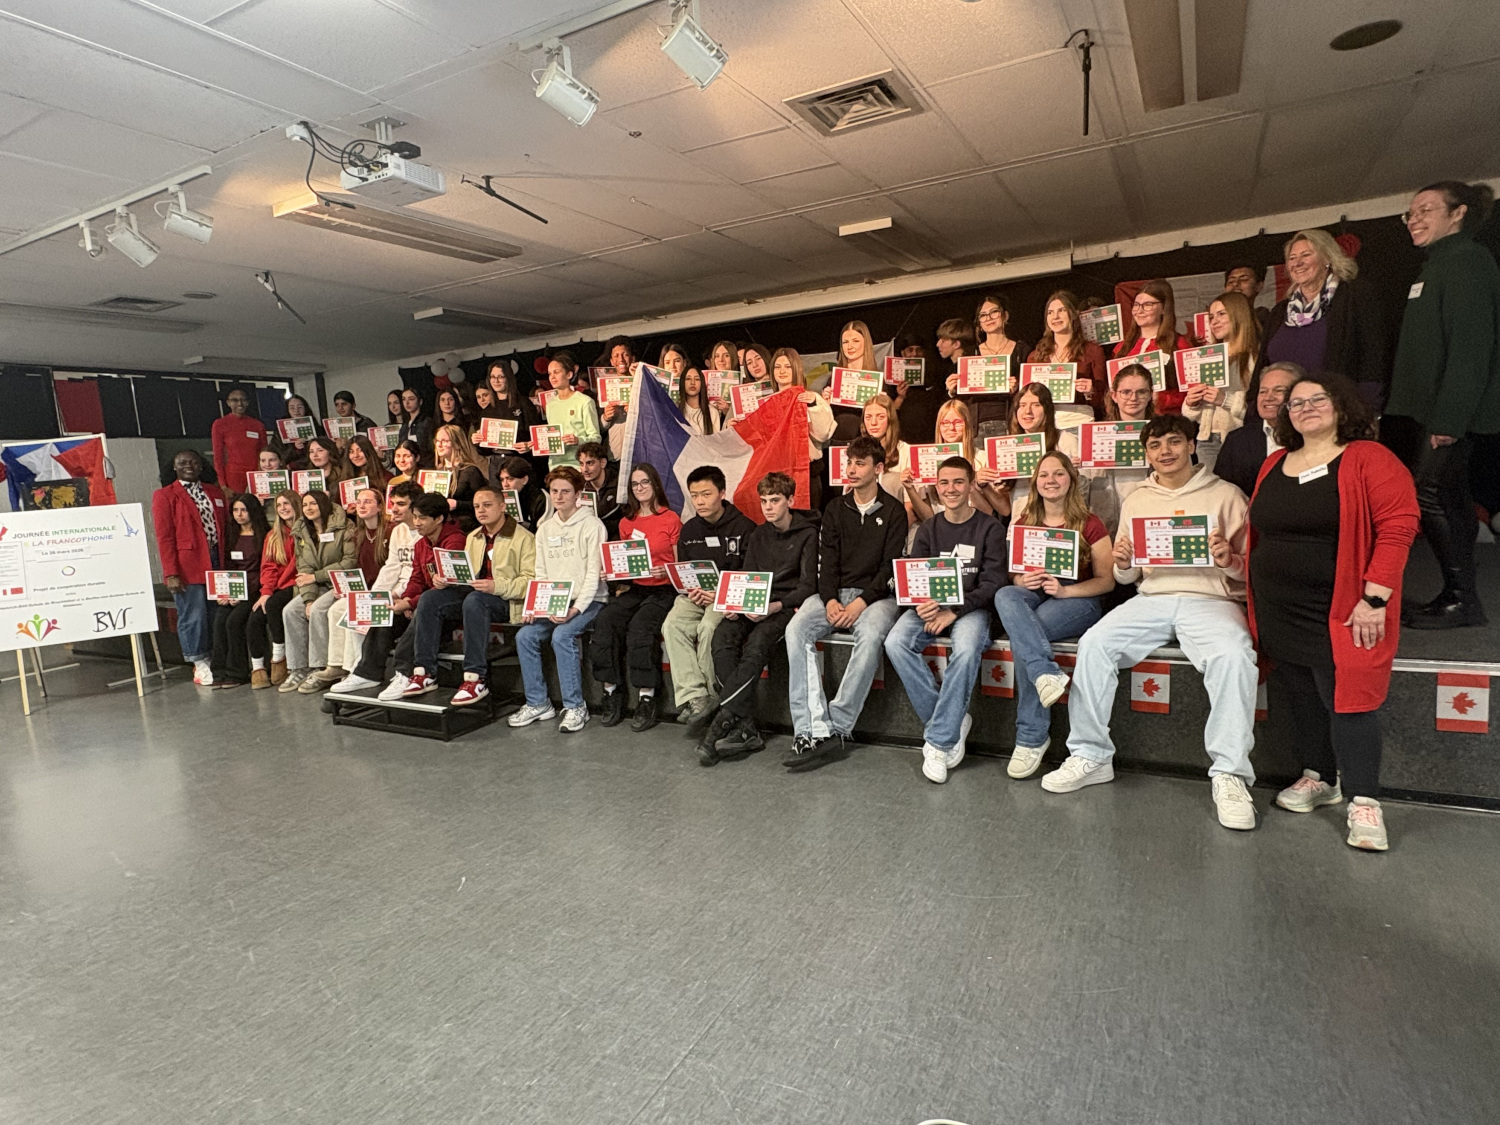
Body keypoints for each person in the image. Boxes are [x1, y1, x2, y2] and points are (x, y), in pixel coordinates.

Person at [1040, 414, 1260, 832]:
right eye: (1155, 446)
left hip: (1211, 599)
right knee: (1095, 643)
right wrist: (1123, 563)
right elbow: (1128, 576)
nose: (1165, 452)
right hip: (1153, 597)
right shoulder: (1138, 498)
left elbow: (1250, 570)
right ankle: (1091, 754)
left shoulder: (1227, 495)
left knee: (1233, 656)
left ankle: (1230, 774)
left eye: (1174, 442)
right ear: (1147, 453)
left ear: (1191, 446)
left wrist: (1229, 560)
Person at [1248, 372, 1419, 851]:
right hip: (1280, 606)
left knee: (1350, 701)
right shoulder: (1275, 462)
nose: (1305, 408)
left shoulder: (1368, 457)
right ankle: (1320, 777)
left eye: (1316, 399)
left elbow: (1399, 526)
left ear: (1341, 405)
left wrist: (1375, 599)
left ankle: (1364, 800)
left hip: (1343, 606)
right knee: (1302, 693)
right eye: (1295, 403)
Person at [1388, 181, 1500, 630]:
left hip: (1451, 412)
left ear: (1459, 213)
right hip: (1435, 409)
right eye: (1410, 213)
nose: (1414, 219)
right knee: (1450, 497)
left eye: (1426, 210)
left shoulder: (1467, 261)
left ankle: (1461, 599)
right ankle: (1460, 597)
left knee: (1429, 493)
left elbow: (1471, 347)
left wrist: (1450, 418)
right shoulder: (1438, 264)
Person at [782, 436, 906, 770]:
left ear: (878, 469)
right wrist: (830, 600)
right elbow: (827, 562)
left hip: (877, 597)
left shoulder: (894, 511)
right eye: (849, 462)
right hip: (835, 593)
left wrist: (860, 603)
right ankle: (809, 728)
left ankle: (837, 727)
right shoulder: (835, 508)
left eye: (860, 463)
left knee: (871, 635)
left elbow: (889, 569)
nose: (851, 469)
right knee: (796, 630)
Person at [883, 456, 1007, 783]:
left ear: (970, 486)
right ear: (936, 488)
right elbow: (915, 576)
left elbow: (993, 584)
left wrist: (954, 610)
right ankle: (952, 720)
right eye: (944, 483)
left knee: (965, 650)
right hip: (932, 606)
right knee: (895, 642)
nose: (951, 489)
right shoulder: (929, 528)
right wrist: (920, 604)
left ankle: (939, 742)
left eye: (958, 482)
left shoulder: (990, 528)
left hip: (972, 609)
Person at [994, 452, 1115, 778]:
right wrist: (1022, 580)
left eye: (1059, 474)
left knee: (1026, 636)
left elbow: (1107, 581)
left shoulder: (1091, 523)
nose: (1051, 480)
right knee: (1005, 594)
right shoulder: (1024, 522)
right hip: (1035, 594)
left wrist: (1065, 591)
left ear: (1071, 480)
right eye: (1044, 475)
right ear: (1036, 482)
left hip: (1078, 598)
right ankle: (1046, 673)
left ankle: (1030, 737)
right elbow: (1012, 575)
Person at [374, 485, 537, 706]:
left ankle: (474, 677)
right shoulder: (474, 537)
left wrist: (496, 586)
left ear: (502, 506)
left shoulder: (524, 538)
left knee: (475, 601)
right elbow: (463, 575)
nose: (481, 511)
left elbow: (530, 582)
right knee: (431, 598)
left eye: (487, 505)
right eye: (477, 506)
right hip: (474, 594)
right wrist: (444, 579)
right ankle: (424, 672)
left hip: (507, 600)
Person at [696, 472, 818, 766]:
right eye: (764, 501)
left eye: (775, 500)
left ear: (790, 500)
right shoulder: (759, 534)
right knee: (722, 636)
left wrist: (774, 606)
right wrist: (735, 604)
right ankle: (745, 725)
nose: (768, 507)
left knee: (757, 644)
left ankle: (720, 724)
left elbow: (807, 586)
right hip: (754, 602)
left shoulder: (808, 534)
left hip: (785, 606)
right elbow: (747, 575)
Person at [508, 466, 608, 733]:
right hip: (555, 601)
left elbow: (593, 576)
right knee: (525, 636)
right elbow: (540, 572)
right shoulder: (545, 528)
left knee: (562, 635)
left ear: (578, 494)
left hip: (590, 600)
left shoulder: (592, 526)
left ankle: (576, 707)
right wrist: (535, 605)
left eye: (565, 491)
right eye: (554, 491)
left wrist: (576, 609)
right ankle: (538, 703)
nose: (559, 497)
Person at [662, 465, 756, 729]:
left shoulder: (745, 527)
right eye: (694, 496)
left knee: (708, 627)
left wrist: (718, 594)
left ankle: (712, 696)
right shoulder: (690, 530)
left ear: (722, 493)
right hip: (695, 595)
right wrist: (692, 590)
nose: (700, 501)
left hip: (727, 597)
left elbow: (749, 576)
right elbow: (685, 571)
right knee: (672, 625)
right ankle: (695, 696)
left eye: (706, 494)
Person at [591, 464, 683, 731]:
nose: (640, 488)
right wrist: (612, 573)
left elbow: (680, 567)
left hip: (664, 589)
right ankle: (611, 691)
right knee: (606, 620)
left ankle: (647, 697)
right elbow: (625, 565)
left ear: (655, 485)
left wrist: (666, 570)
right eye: (634, 484)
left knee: (641, 627)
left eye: (644, 482)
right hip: (636, 588)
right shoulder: (626, 522)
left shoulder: (671, 519)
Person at [343, 492, 464, 692]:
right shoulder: (421, 543)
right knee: (388, 609)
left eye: (422, 518)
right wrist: (407, 597)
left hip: (450, 603)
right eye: (415, 517)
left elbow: (447, 586)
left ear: (439, 519)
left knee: (425, 604)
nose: (417, 523)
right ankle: (367, 672)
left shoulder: (455, 541)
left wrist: (411, 602)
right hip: (424, 601)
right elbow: (416, 578)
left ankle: (406, 673)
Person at [1260, 228, 1388, 412]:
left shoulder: (1356, 295)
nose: (1298, 263)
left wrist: (1368, 407)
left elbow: (1373, 355)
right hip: (1285, 415)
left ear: (1328, 258)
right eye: (1292, 258)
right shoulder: (1280, 311)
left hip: (1339, 410)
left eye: (1306, 255)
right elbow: (1263, 366)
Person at [328, 481, 421, 695]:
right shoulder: (399, 531)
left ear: (415, 506)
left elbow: (418, 575)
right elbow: (391, 567)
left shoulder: (425, 532)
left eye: (401, 504)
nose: (394, 509)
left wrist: (396, 595)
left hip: (410, 594)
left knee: (382, 617)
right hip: (396, 591)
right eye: (393, 503)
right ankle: (359, 671)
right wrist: (374, 595)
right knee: (359, 610)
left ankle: (379, 672)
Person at [302, 486, 390, 692]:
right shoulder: (358, 534)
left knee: (351, 611)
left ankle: (356, 669)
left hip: (382, 591)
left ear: (380, 507)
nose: (362, 505)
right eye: (359, 502)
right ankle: (336, 665)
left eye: (368, 501)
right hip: (363, 589)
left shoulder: (390, 531)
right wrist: (346, 587)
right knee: (335, 610)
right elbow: (355, 568)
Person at [152, 450, 228, 686]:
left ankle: (216, 657)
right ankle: (198, 661)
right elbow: (164, 537)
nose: (189, 466)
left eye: (194, 462)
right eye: (182, 463)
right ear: (174, 467)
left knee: (216, 613)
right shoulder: (165, 495)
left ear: (201, 466)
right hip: (187, 565)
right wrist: (171, 572)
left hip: (216, 560)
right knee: (193, 616)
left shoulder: (214, 492)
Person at [278, 489, 355, 694]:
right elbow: (304, 569)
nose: (308, 508)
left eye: (313, 503)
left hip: (341, 583)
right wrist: (309, 598)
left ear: (323, 504)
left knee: (319, 610)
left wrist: (316, 577)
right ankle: (298, 668)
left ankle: (320, 668)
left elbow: (349, 562)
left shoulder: (344, 525)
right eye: (305, 505)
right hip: (316, 584)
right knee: (290, 611)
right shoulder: (301, 530)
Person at [1182, 290, 1260, 472]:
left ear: (1239, 314)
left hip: (1240, 437)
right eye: (1211, 317)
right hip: (1207, 439)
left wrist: (1225, 400)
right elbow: (1193, 414)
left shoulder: (1254, 357)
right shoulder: (1207, 357)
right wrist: (1192, 403)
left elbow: (1258, 407)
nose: (1214, 321)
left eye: (1221, 314)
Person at [984, 382, 1083, 518]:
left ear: (1047, 409)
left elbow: (1082, 492)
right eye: (1022, 405)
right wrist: (982, 484)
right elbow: (1005, 510)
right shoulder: (1006, 446)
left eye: (1036, 405)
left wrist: (1071, 474)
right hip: (1021, 525)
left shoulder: (1066, 441)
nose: (1027, 411)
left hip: (1059, 523)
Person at [1083, 364, 1156, 536]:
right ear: (1114, 395)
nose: (1133, 398)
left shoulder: (1161, 434)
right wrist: (1077, 470)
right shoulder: (1095, 434)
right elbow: (1083, 487)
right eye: (1126, 392)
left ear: (1150, 395)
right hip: (1104, 524)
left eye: (1141, 392)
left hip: (1146, 523)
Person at [207, 495, 271, 688]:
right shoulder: (231, 535)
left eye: (243, 510)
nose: (239, 514)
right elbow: (228, 567)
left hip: (255, 588)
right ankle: (219, 672)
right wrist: (225, 593)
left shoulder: (264, 535)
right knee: (219, 620)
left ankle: (238, 672)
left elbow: (264, 569)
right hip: (234, 588)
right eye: (235, 510)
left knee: (234, 621)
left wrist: (243, 593)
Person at [1213, 362, 1299, 499]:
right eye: (1263, 391)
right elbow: (1223, 492)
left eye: (1279, 391)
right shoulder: (1237, 441)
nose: (1268, 397)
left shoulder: (1313, 437)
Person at [907, 399, 999, 520]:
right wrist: (909, 488)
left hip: (975, 525)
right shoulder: (926, 459)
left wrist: (971, 484)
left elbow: (988, 512)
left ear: (967, 424)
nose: (951, 428)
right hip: (942, 527)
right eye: (945, 423)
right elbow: (928, 518)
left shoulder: (982, 458)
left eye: (958, 422)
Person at [769, 348, 836, 508]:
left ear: (796, 369)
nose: (782, 371)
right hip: (777, 473)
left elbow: (823, 434)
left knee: (806, 518)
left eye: (788, 366)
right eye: (777, 367)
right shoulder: (767, 403)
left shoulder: (810, 397)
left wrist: (813, 405)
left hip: (806, 472)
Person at [1026, 290, 1107, 419]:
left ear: (1074, 314)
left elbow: (1104, 398)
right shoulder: (1035, 356)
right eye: (1050, 312)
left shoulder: (1093, 351)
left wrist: (1091, 391)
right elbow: (1027, 397)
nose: (1055, 316)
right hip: (1045, 421)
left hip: (1078, 419)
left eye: (1061, 310)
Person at [1115, 280, 1192, 413]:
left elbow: (1191, 391)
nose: (1140, 311)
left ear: (1164, 308)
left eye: (1148, 305)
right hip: (1129, 419)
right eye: (1136, 305)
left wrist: (1162, 399)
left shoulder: (1179, 344)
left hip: (1164, 419)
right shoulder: (1122, 347)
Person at [255, 490, 301, 686]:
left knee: (274, 606)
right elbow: (268, 567)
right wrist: (266, 591)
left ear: (296, 505)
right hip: (278, 585)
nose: (283, 508)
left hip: (297, 583)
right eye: (279, 505)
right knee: (255, 615)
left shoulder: (304, 531)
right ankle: (257, 669)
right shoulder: (273, 536)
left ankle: (279, 657)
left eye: (286, 504)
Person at [540, 353, 600, 471]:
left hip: (578, 465)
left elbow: (596, 438)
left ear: (569, 374)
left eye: (556, 372)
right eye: (550, 374)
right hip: (555, 466)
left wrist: (578, 440)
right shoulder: (550, 405)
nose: (552, 377)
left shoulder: (585, 401)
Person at [822, 321, 880, 442]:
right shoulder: (833, 379)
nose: (850, 346)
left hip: (865, 442)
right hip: (837, 441)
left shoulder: (877, 381)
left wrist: (881, 405)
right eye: (845, 342)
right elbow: (824, 421)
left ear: (866, 343)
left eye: (855, 341)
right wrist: (825, 404)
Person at [859, 393, 911, 522]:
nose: (873, 423)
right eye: (868, 417)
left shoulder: (905, 451)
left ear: (890, 419)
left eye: (880, 417)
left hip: (897, 524)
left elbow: (911, 507)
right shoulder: (857, 452)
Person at [431, 424, 489, 532]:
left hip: (467, 528)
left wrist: (458, 504)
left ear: (457, 444)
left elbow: (484, 502)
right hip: (443, 528)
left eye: (444, 441)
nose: (439, 445)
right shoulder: (439, 471)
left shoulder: (470, 471)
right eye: (437, 441)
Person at [892, 334, 945, 450]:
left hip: (929, 434)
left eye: (919, 350)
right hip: (903, 435)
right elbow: (889, 412)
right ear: (902, 353)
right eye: (910, 350)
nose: (915, 354)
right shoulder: (892, 378)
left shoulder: (934, 375)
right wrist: (900, 397)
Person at [211, 387, 267, 495]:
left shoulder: (258, 425)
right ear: (228, 402)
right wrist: (223, 485)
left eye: (243, 400)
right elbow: (218, 457)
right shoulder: (220, 424)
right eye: (235, 400)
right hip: (233, 478)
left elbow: (264, 453)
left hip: (256, 476)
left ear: (248, 402)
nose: (240, 403)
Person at [576, 442, 622, 537]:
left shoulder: (620, 484)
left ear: (602, 463)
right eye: (581, 464)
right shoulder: (578, 486)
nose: (584, 469)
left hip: (616, 538)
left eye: (590, 463)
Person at [339, 436, 390, 507]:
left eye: (360, 450)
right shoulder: (345, 478)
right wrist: (347, 511)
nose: (356, 455)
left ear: (369, 452)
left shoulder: (386, 477)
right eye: (351, 452)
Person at [675, 365, 723, 436]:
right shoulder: (675, 410)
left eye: (697, 379)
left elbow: (715, 440)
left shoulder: (712, 412)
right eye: (688, 379)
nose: (692, 382)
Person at [1223, 263, 1272, 333]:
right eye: (1231, 281)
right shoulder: (1214, 321)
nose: (1236, 283)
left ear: (1259, 286)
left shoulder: (1268, 320)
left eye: (1244, 279)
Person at [268, 394, 315, 466]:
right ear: (288, 410)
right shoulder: (280, 430)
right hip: (289, 467)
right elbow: (276, 454)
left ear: (305, 408)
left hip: (312, 466)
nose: (296, 411)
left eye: (300, 407)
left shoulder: (316, 426)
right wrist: (294, 449)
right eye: (292, 408)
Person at [398, 387, 434, 453]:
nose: (407, 403)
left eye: (411, 399)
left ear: (420, 401)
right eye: (404, 399)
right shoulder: (405, 425)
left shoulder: (427, 422)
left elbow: (431, 448)